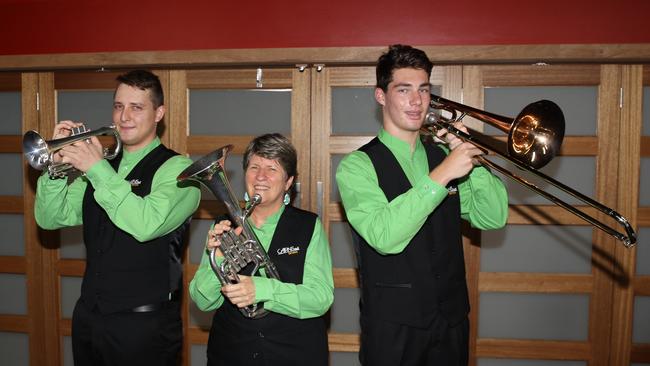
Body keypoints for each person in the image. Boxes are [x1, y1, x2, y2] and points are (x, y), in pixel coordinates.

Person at [335, 45, 508, 366]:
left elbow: (493, 217)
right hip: (393, 328)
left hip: (451, 320)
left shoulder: (444, 156)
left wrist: (474, 159)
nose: (417, 101)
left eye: (424, 90)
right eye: (404, 90)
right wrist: (443, 174)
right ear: (381, 96)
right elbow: (384, 237)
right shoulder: (356, 166)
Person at [34, 70, 201, 366]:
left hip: (144, 327)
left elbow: (146, 224)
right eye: (118, 106)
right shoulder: (101, 165)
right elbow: (50, 218)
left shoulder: (179, 170)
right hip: (90, 317)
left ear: (159, 113)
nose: (124, 117)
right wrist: (54, 168)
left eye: (136, 107)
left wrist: (96, 169)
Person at [190, 133, 334, 366]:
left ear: (288, 182)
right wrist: (215, 258)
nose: (261, 176)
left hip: (295, 354)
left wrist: (263, 289)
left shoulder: (308, 226)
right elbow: (203, 301)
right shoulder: (223, 226)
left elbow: (320, 298)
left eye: (272, 169)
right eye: (254, 166)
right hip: (231, 353)